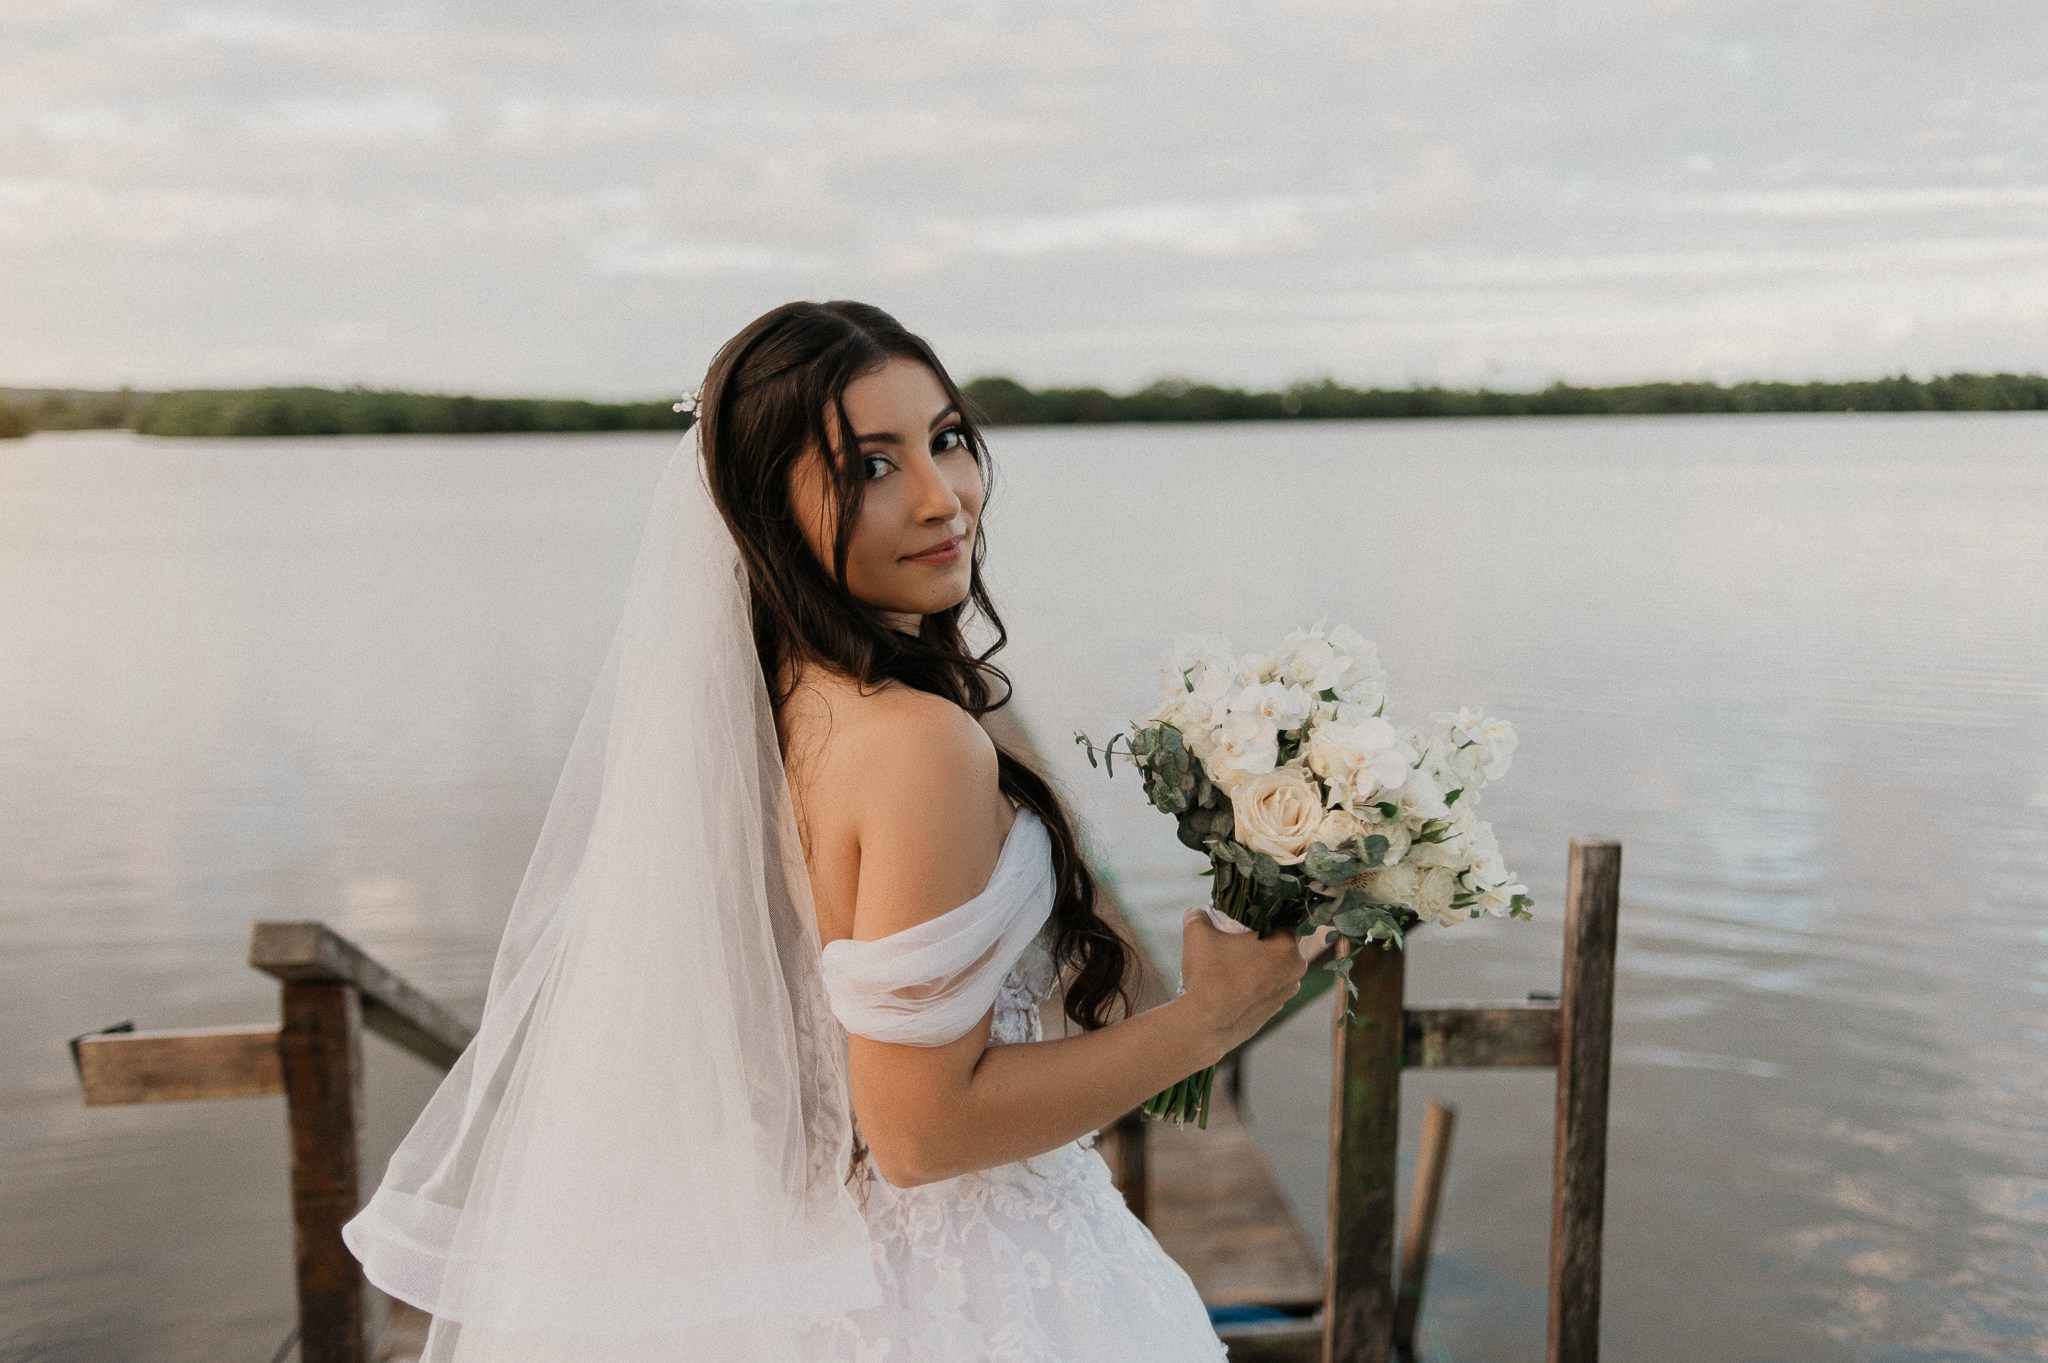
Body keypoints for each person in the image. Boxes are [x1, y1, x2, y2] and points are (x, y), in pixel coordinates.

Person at [341, 299, 1308, 1362]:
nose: (945, 500)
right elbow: (919, 1129)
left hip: (808, 1255)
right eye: (870, 467)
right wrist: (1214, 1018)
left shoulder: (769, 707)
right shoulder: (918, 744)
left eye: (944, 440)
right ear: (765, 508)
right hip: (961, 1291)